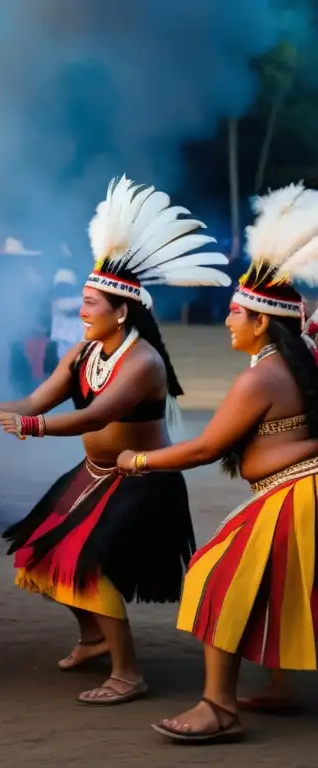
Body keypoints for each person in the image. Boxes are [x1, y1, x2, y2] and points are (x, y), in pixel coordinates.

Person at [0, 176, 231, 706]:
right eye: (82, 300)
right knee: (36, 555)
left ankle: (128, 673)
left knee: (90, 565)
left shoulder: (142, 363)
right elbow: (32, 404)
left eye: (92, 303)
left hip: (142, 478)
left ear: (121, 311)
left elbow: (95, 416)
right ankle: (94, 638)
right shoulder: (81, 354)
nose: (82, 310)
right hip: (93, 475)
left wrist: (33, 430)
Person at [119, 184, 318, 743]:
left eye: (237, 312)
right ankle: (278, 687)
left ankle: (218, 707)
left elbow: (206, 448)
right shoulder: (294, 366)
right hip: (294, 490)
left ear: (261, 323)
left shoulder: (263, 375)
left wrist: (139, 459)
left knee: (217, 578)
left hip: (293, 494)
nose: (228, 320)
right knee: (277, 585)